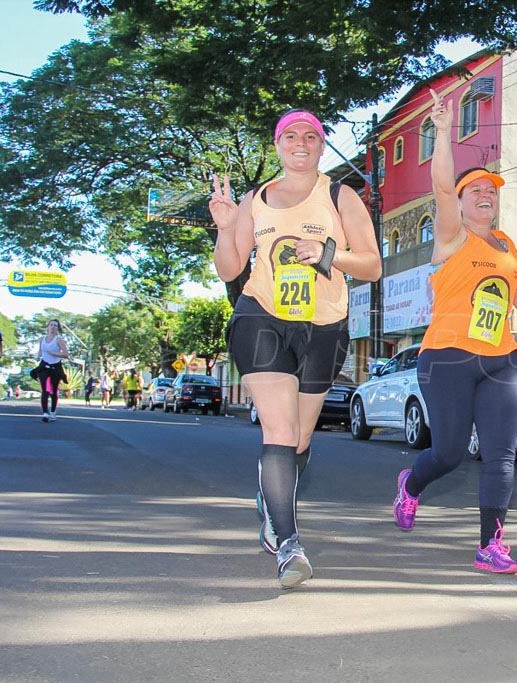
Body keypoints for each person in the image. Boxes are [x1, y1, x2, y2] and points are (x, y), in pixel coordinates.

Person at [209, 108, 381, 589]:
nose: (300, 142)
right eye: (291, 135)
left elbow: (371, 265)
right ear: (277, 144)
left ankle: (271, 497)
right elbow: (228, 270)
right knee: (279, 431)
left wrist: (329, 254)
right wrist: (226, 228)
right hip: (260, 317)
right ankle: (289, 544)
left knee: (301, 439)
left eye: (311, 135)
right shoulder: (255, 199)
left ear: (322, 146)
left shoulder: (340, 195)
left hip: (323, 324)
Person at [391, 89, 517, 575]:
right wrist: (442, 129)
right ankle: (411, 486)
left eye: (491, 191)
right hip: (447, 357)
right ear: (459, 203)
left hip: (500, 359)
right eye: (475, 190)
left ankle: (490, 545)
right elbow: (440, 185)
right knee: (451, 452)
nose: (485, 195)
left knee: (501, 455)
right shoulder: (452, 236)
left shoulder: (507, 245)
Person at [35, 319, 69, 423]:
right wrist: (37, 356)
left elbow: (66, 354)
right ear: (48, 327)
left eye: (55, 325)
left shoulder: (59, 340)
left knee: (53, 391)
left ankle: (53, 411)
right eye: (51, 325)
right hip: (44, 366)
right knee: (44, 390)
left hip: (55, 367)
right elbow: (40, 352)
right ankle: (45, 413)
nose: (53, 327)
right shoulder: (42, 339)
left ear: (57, 328)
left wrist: (54, 353)